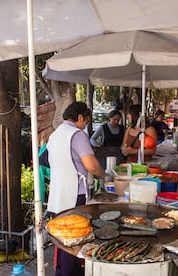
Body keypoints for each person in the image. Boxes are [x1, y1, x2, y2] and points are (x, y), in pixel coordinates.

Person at [47, 101, 105, 276]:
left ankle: (61, 272)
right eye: (86, 121)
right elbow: (91, 165)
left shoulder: (55, 134)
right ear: (80, 117)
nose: (85, 125)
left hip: (58, 193)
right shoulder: (77, 135)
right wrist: (104, 176)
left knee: (61, 237)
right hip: (74, 193)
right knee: (74, 238)